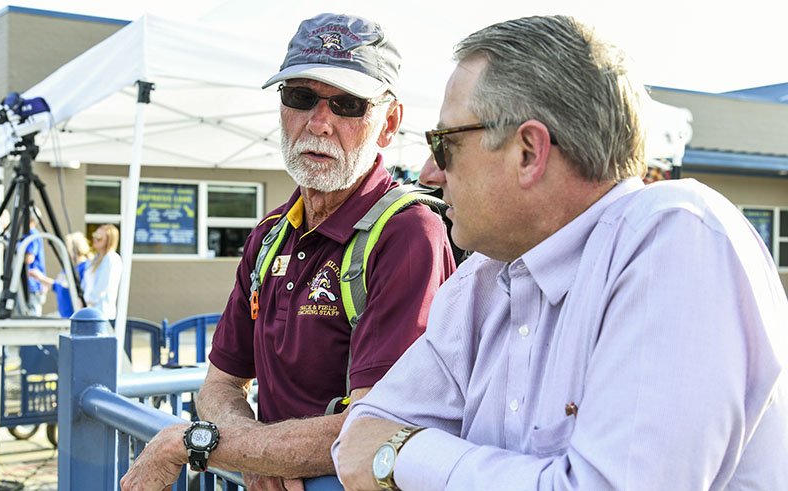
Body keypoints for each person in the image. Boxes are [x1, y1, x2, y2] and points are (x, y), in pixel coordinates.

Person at [334, 15, 788, 490]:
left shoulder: (674, 236)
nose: (429, 172)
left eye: (444, 143)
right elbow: (358, 440)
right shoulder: (483, 281)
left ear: (529, 151)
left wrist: (404, 453)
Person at [120, 12, 455, 491]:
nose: (320, 123)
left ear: (389, 123)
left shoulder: (407, 233)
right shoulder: (271, 233)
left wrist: (194, 443)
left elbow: (374, 429)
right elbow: (219, 385)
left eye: (348, 104)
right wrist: (258, 452)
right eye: (300, 97)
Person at [82, 224, 122, 320]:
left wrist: (89, 301)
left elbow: (103, 285)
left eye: (99, 237)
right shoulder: (95, 259)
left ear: (109, 240)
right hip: (88, 310)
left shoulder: (111, 259)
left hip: (101, 312)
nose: (95, 239)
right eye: (94, 235)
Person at [52, 231, 93, 318]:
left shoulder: (85, 267)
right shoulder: (70, 268)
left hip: (74, 313)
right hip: (64, 313)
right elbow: (57, 285)